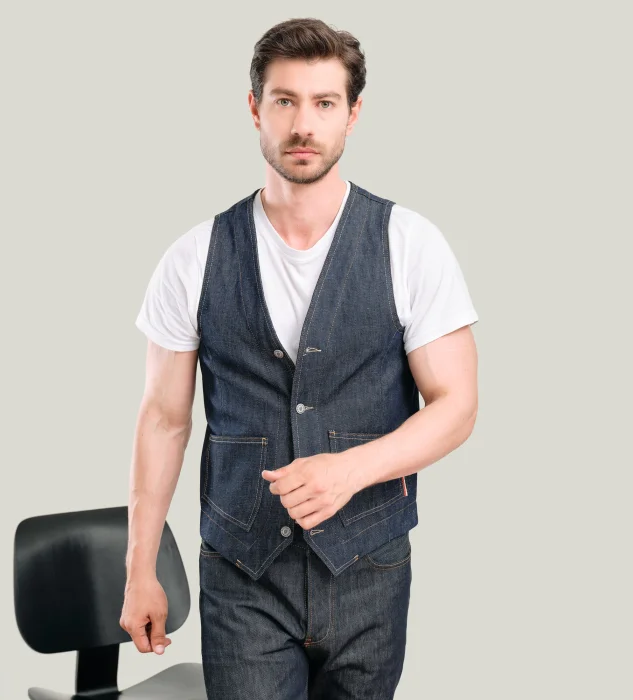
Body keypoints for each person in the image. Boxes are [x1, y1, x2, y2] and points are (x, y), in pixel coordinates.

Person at [120, 17, 479, 700]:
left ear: (353, 114)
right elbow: (163, 420)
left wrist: (352, 470)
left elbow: (457, 405)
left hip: (368, 570)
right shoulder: (193, 257)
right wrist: (140, 568)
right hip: (243, 576)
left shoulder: (410, 244)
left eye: (324, 102)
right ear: (255, 108)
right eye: (285, 100)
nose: (303, 124)